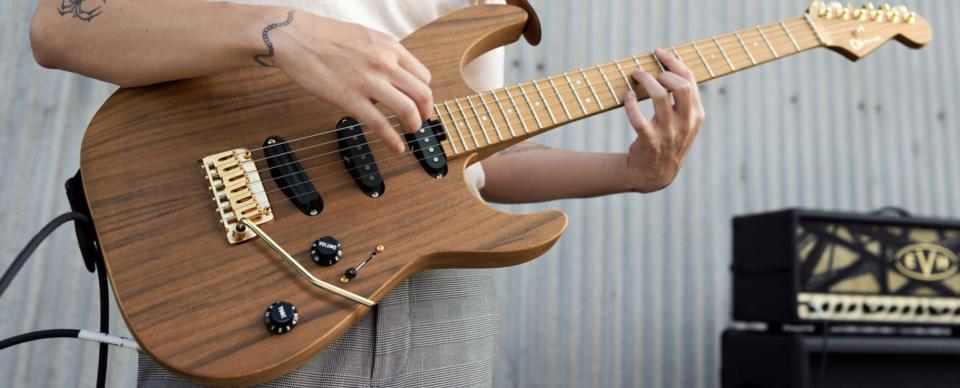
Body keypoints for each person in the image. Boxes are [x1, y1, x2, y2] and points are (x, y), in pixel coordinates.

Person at [29, 0, 705, 386]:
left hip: (439, 296)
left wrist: (632, 172)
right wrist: (277, 33)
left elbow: (468, 160)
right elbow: (61, 24)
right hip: (250, 266)